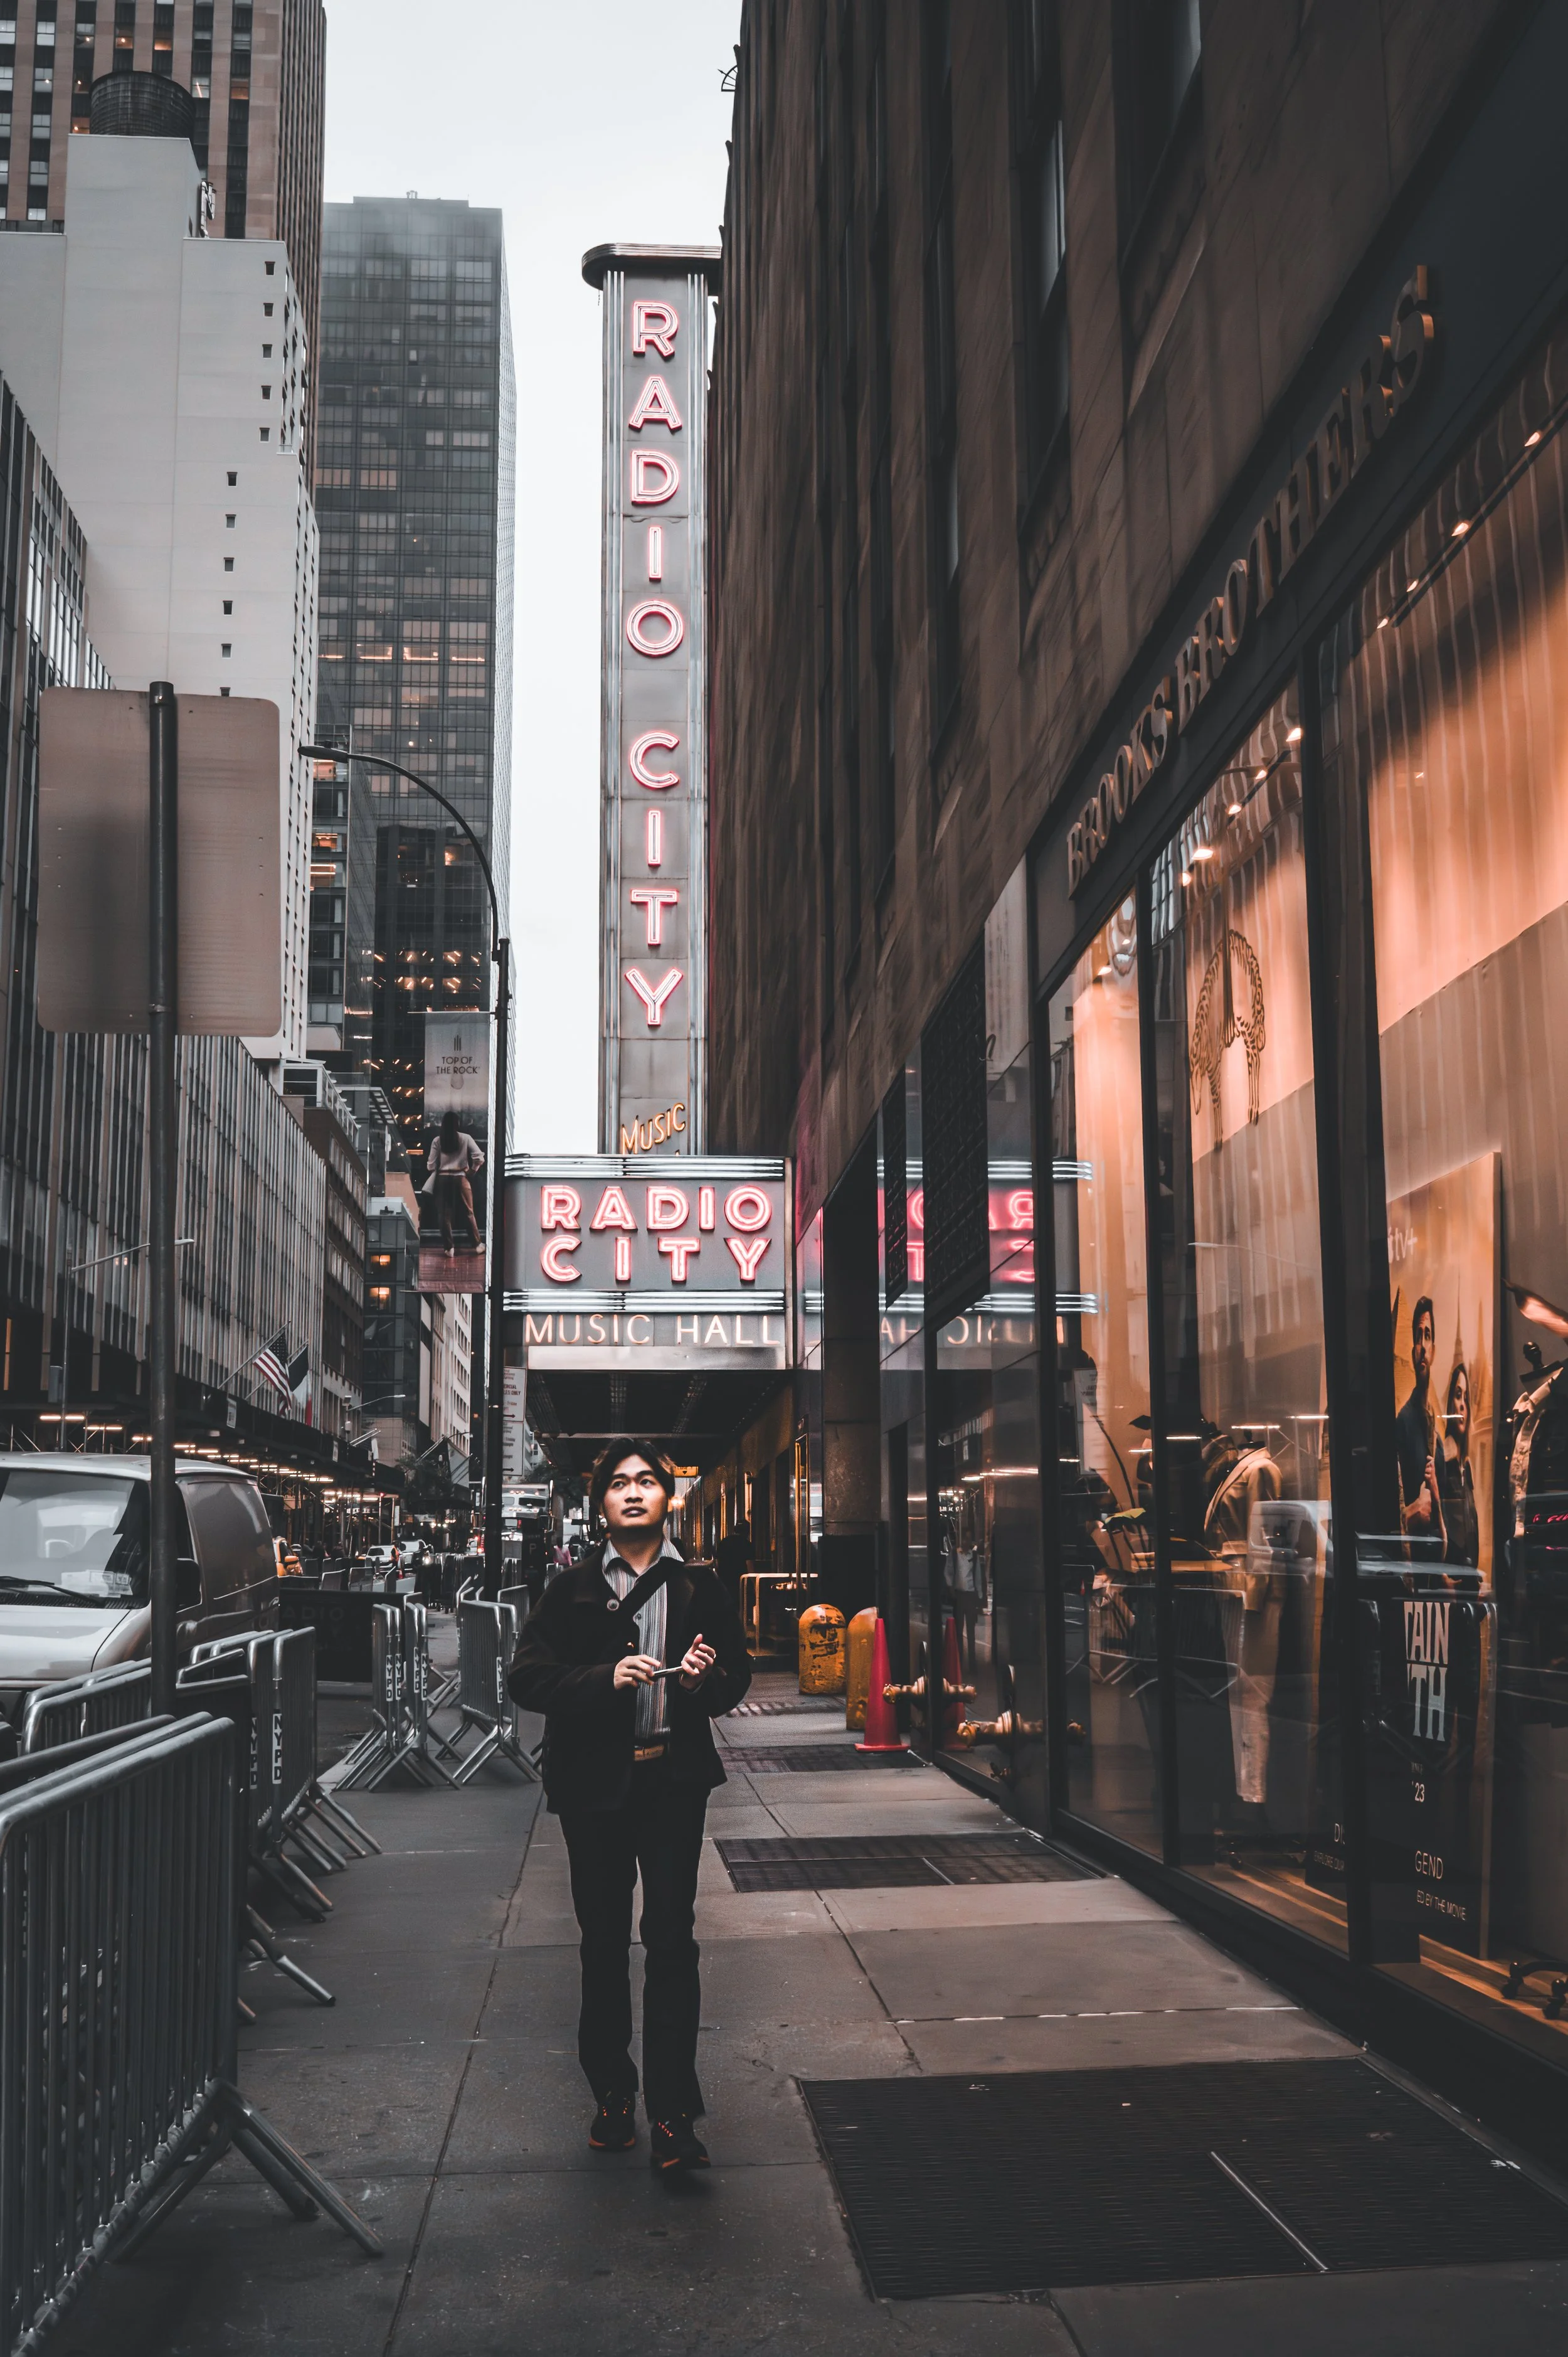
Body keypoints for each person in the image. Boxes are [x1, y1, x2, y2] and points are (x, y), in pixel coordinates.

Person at [507, 1437, 751, 2173]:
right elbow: (528, 1679)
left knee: (672, 1940)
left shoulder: (702, 1586)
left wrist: (702, 1681)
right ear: (602, 1502)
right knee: (604, 1941)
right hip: (595, 1790)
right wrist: (606, 1677)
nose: (636, 1491)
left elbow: (733, 1682)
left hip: (673, 1785)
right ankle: (612, 2093)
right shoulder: (571, 1588)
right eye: (621, 1483)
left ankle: (674, 2113)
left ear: (667, 1497)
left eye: (649, 1480)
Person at [1395, 1296, 1447, 1550]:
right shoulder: (1403, 1423)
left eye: (1427, 1335)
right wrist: (1413, 1512)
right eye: (1418, 1337)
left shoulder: (1434, 1429)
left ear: (1433, 1349)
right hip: (1415, 1568)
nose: (1422, 1345)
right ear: (1413, 1352)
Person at [1438, 1360, 1480, 1569]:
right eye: (1457, 1395)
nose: (1463, 1404)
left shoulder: (1466, 1466)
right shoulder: (1444, 1460)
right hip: (1451, 1578)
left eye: (1466, 1397)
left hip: (1469, 1576)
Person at [424, 1109, 484, 1252]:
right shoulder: (466, 1138)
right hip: (461, 1177)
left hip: (443, 1179)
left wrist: (440, 1166)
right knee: (469, 1212)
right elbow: (479, 1158)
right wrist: (472, 1171)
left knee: (444, 1215)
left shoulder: (437, 1141)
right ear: (457, 1124)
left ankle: (449, 1248)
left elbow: (430, 1166)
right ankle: (477, 1245)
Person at [713, 1516, 753, 1614]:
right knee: (742, 1607)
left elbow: (717, 1563)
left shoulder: (724, 1542)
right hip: (741, 1581)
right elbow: (750, 1565)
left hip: (725, 1579)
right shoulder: (747, 1544)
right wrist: (754, 1581)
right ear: (747, 1532)